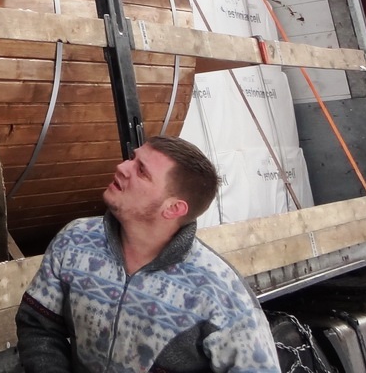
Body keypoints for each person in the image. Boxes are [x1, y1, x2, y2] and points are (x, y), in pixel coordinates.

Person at [16, 135, 280, 373]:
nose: (122, 167)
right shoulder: (74, 241)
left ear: (173, 208)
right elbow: (38, 324)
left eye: (141, 171)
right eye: (133, 159)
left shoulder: (219, 291)